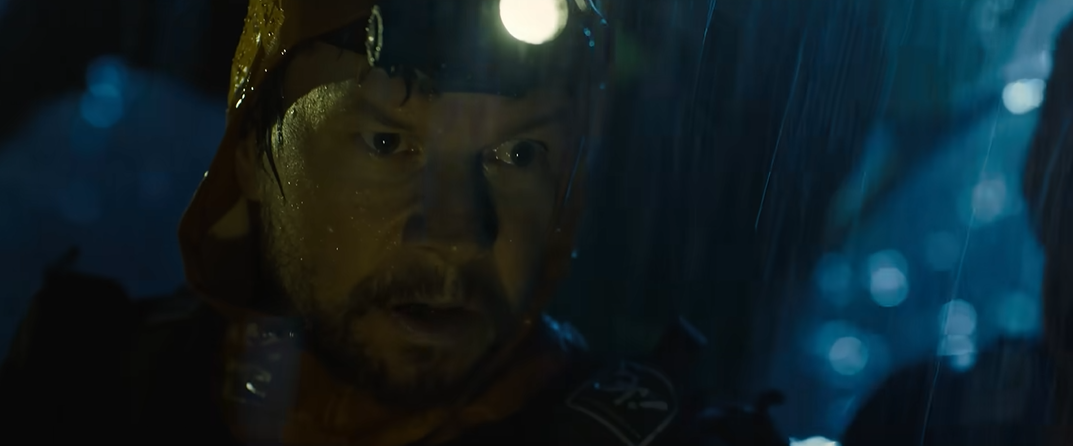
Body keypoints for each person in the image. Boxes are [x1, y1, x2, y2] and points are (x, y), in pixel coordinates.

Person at [0, 1, 786, 444]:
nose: (455, 230)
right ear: (252, 156)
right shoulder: (85, 387)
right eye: (386, 143)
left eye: (517, 155)